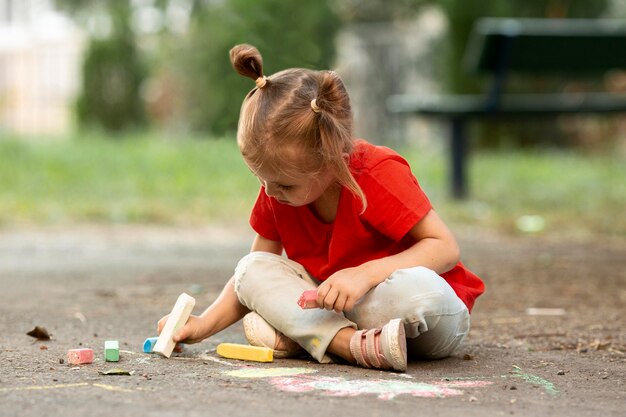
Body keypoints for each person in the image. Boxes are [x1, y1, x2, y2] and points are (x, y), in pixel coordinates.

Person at [158, 44, 485, 372]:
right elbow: (254, 274)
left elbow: (445, 248)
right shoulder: (277, 190)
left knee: (413, 293)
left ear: (331, 157)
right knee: (251, 267)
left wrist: (363, 275)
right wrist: (203, 325)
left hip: (419, 315)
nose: (271, 192)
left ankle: (305, 335)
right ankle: (347, 344)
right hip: (340, 313)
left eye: (285, 184)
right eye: (261, 180)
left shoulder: (376, 172)